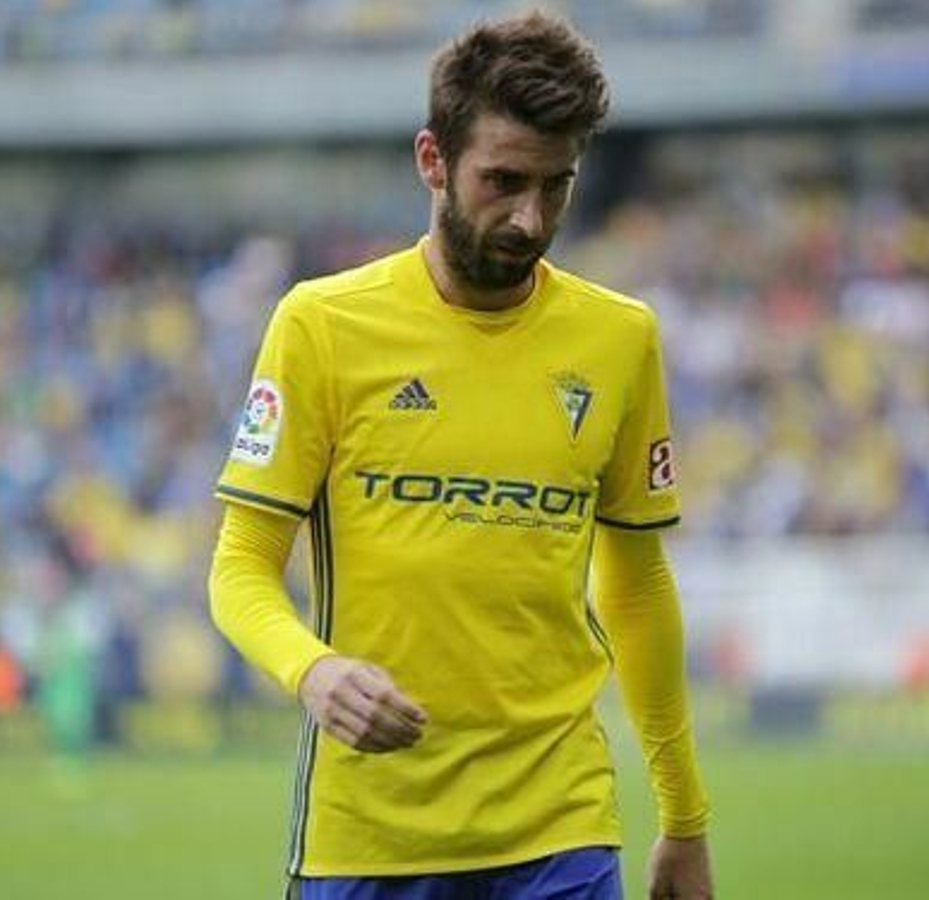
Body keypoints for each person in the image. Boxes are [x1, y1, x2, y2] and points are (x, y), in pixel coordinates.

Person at [209, 12, 713, 899]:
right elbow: (240, 568)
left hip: (562, 832)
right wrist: (313, 670)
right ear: (432, 161)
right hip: (369, 842)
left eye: (557, 186)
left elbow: (636, 589)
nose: (530, 218)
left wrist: (683, 816)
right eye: (503, 181)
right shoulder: (323, 325)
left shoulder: (620, 339)